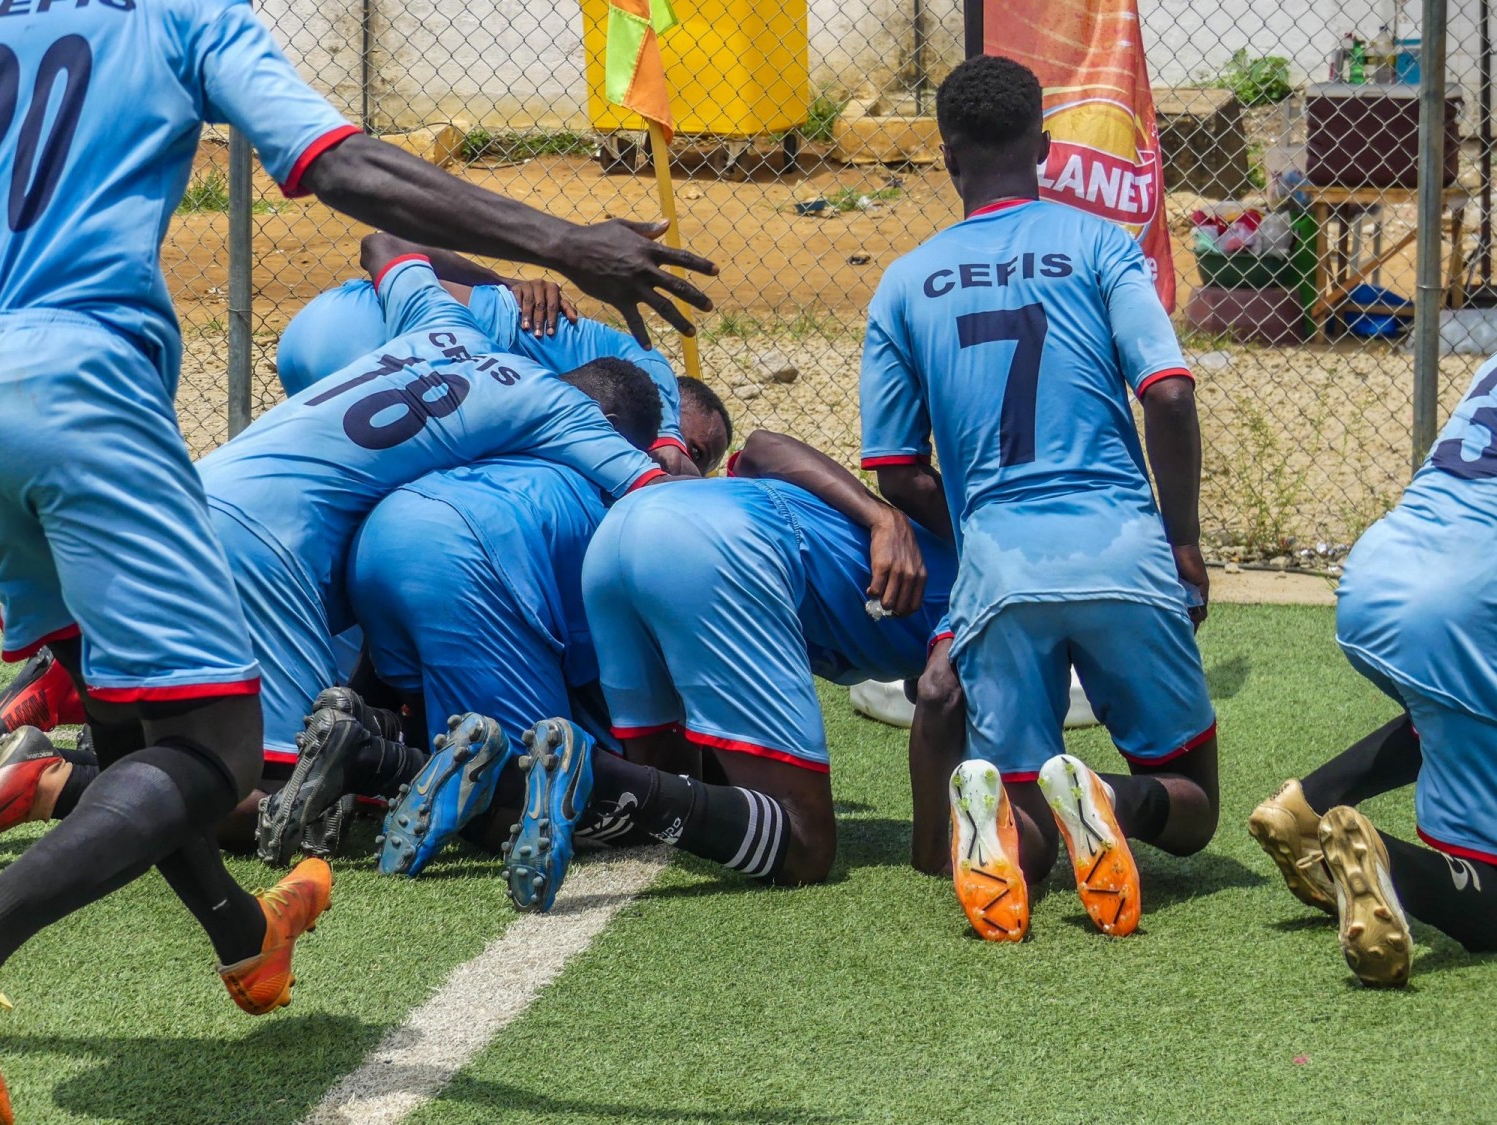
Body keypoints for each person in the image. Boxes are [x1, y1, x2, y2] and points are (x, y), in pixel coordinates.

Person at [0, 0, 715, 1111]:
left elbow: (385, 243)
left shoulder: (431, 319)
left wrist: (483, 273)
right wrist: (564, 245)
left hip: (43, 398)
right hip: (91, 400)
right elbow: (345, 168)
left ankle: (243, 934)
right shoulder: (189, 17)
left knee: (123, 713)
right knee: (219, 767)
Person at [857, 55, 1216, 943]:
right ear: (1046, 147)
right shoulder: (1101, 245)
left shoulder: (903, 281)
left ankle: (999, 820)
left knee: (1033, 841)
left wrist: (978, 524)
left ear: (948, 159)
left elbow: (897, 468)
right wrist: (1184, 542)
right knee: (1196, 804)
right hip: (1123, 548)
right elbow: (1169, 393)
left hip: (1000, 568)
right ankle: (1110, 795)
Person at [267, 377, 734, 879]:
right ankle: (370, 760)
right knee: (558, 788)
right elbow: (633, 693)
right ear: (621, 430)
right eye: (692, 448)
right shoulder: (625, 502)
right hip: (472, 556)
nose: (687, 464)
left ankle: (361, 726)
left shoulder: (510, 437)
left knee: (451, 728)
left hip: (384, 532)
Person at [498, 432, 956, 911]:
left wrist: (879, 516)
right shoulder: (997, 588)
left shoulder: (962, 539)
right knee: (805, 845)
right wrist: (932, 851)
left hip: (621, 532)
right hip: (718, 544)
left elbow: (757, 450)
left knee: (666, 790)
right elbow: (940, 693)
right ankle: (591, 771)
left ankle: (497, 774)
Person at [1250, 353, 1497, 987]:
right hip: (1464, 606)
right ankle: (1389, 864)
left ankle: (1307, 808)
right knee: (1491, 891)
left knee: (1445, 711)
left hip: (1379, 573)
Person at [276, 244, 717, 476]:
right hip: (378, 334)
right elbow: (659, 394)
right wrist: (672, 442)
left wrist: (500, 282)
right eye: (702, 451)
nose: (695, 465)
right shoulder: (651, 377)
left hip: (315, 333)